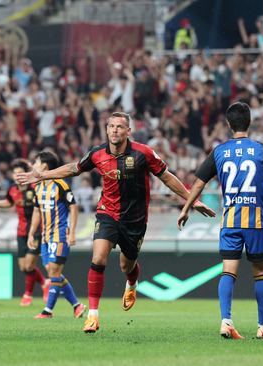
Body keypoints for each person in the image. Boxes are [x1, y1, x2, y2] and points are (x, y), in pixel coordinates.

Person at [16, 112, 215, 333]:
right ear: (107, 129)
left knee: (126, 266)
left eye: (120, 127)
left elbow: (166, 177)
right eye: (111, 126)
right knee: (99, 257)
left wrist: (192, 201)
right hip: (107, 213)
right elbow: (74, 168)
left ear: (128, 131)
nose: (114, 130)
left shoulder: (143, 153)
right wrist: (42, 176)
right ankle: (92, 316)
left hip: (135, 220)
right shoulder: (98, 153)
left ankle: (132, 283)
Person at [176, 102, 263, 340]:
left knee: (228, 271)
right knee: (261, 272)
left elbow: (199, 183)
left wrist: (187, 208)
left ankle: (226, 321)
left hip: (230, 221)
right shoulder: (262, 149)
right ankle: (262, 327)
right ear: (250, 122)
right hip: (256, 221)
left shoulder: (218, 151)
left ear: (229, 125)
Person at [0, 158, 50, 306]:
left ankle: (28, 295)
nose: (17, 176)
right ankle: (45, 284)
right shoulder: (12, 189)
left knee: (29, 266)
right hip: (21, 231)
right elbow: (9, 202)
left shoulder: (34, 188)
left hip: (37, 231)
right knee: (23, 267)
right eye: (15, 173)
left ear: (25, 174)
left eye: (20, 173)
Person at [26, 150, 86, 319]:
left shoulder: (61, 184)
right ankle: (77, 305)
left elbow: (73, 207)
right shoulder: (38, 186)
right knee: (54, 273)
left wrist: (72, 232)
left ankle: (48, 310)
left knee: (54, 272)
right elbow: (37, 212)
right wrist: (31, 234)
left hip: (59, 234)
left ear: (44, 166)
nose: (34, 165)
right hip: (45, 236)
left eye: (36, 162)